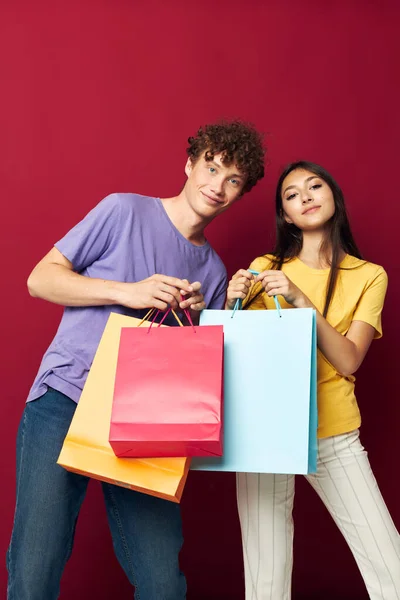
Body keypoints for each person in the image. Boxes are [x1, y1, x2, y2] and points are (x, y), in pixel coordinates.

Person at [7, 120, 265, 600]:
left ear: (240, 193)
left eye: (233, 179)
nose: (217, 185)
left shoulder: (212, 269)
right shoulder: (123, 211)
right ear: (189, 165)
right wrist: (131, 291)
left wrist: (201, 315)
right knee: (34, 568)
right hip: (67, 396)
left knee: (162, 580)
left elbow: (192, 371)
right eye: (211, 168)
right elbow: (39, 280)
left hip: (147, 420)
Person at [226, 161, 400, 599]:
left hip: (332, 430)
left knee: (389, 564)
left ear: (333, 197)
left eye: (314, 186)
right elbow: (239, 352)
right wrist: (232, 303)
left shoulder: (368, 275)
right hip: (264, 430)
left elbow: (349, 360)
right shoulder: (264, 267)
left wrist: (300, 300)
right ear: (286, 215)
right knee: (265, 575)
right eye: (291, 194)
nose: (304, 196)